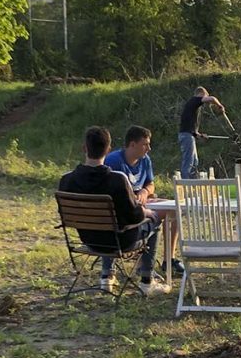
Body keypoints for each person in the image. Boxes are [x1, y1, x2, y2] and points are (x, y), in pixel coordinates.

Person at [58, 126, 169, 296]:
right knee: (154, 220)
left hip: (88, 239)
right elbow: (135, 216)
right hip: (121, 242)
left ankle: (106, 276)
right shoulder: (117, 180)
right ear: (108, 150)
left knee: (112, 225)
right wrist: (146, 212)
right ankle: (147, 281)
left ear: (84, 148)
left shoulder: (66, 180)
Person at [104, 125, 185, 277]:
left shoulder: (145, 160)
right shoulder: (114, 161)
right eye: (145, 144)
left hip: (143, 201)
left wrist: (145, 191)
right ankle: (143, 267)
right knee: (153, 219)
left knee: (174, 208)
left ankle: (169, 259)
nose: (149, 148)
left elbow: (151, 183)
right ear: (132, 145)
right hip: (125, 208)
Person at [178, 86, 226, 179]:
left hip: (188, 135)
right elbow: (212, 98)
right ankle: (186, 184)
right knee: (189, 161)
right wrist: (219, 106)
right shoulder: (195, 100)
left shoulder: (192, 106)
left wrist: (199, 135)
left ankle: (193, 183)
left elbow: (189, 127)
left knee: (195, 161)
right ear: (202, 94)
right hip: (186, 136)